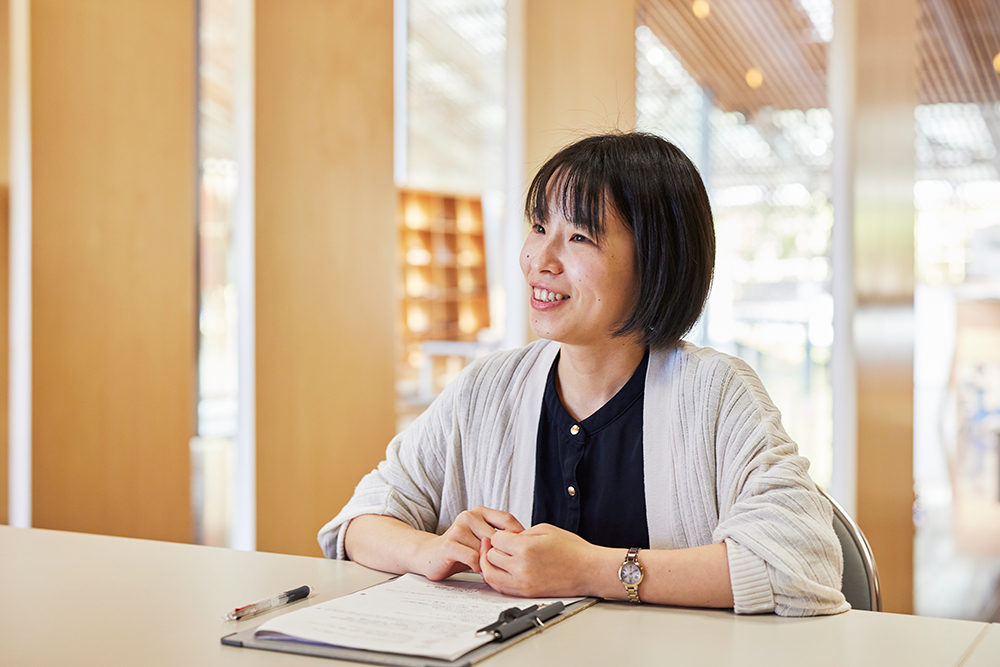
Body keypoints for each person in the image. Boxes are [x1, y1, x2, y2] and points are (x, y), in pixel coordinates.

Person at [318, 132, 849, 617]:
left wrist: (592, 569)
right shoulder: (489, 387)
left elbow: (803, 561)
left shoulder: (716, 394)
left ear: (656, 260)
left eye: (579, 238)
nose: (540, 260)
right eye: (540, 226)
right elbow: (360, 521)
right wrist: (432, 549)